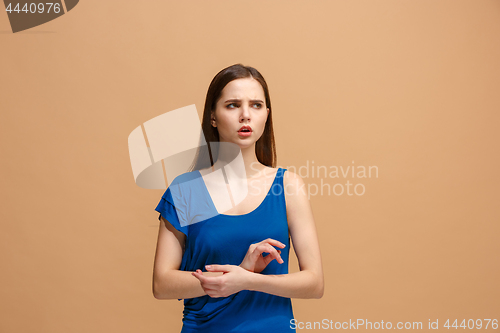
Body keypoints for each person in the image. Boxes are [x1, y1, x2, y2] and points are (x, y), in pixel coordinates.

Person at [152, 64, 324, 332]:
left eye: (256, 105)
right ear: (213, 116)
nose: (246, 115)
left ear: (267, 114)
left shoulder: (289, 186)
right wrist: (237, 271)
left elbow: (314, 284)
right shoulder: (184, 190)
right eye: (232, 105)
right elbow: (162, 285)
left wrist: (247, 279)